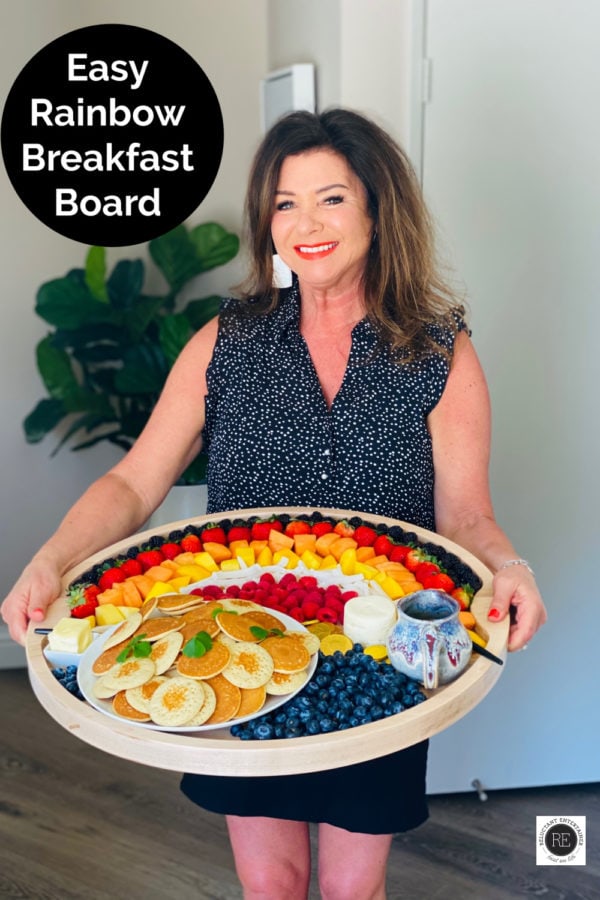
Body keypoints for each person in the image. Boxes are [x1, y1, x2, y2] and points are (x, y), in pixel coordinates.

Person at [2, 108, 546, 899]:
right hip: (240, 655)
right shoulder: (227, 340)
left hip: (379, 663)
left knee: (353, 892)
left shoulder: (438, 350)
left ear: (375, 208)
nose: (305, 223)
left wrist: (512, 568)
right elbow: (133, 481)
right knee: (273, 887)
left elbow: (466, 518)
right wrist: (49, 561)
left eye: (331, 198)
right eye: (285, 202)